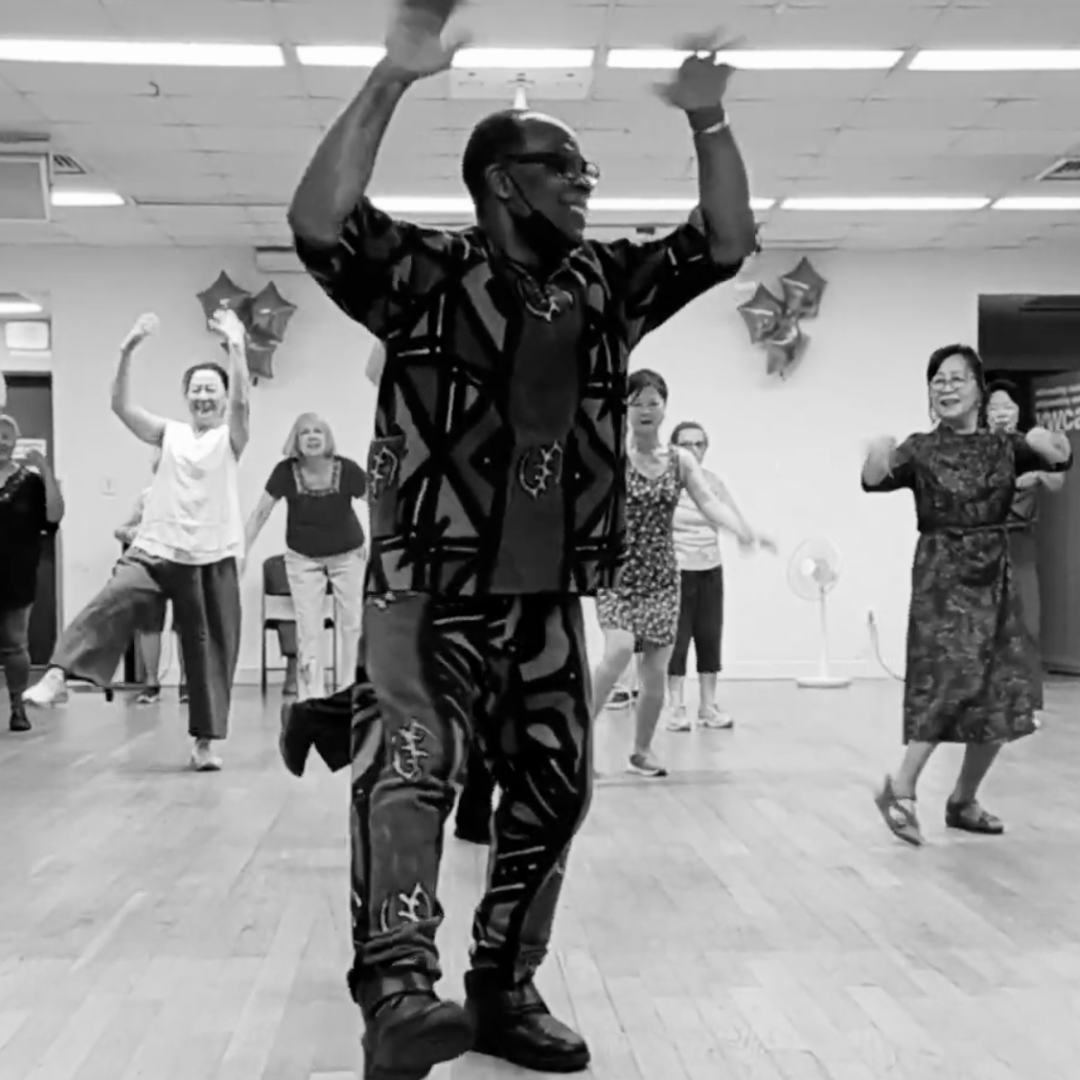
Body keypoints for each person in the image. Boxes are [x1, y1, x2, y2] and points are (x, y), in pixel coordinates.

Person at [284, 0, 758, 1074]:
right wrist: (392, 78)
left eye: (587, 172)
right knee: (410, 767)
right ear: (505, 182)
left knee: (556, 789)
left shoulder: (607, 286)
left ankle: (503, 987)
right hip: (422, 587)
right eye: (566, 169)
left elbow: (724, 243)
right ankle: (398, 992)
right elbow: (319, 223)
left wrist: (710, 123)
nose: (586, 185)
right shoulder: (424, 278)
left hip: (546, 594)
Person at [23, 309, 250, 772]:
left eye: (213, 389)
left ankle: (205, 742)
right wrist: (127, 349)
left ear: (224, 398)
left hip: (211, 558)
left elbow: (245, 407)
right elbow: (121, 407)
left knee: (210, 651)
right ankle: (57, 674)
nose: (204, 396)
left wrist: (238, 345)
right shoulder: (171, 434)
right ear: (186, 396)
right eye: (197, 389)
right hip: (155, 549)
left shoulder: (230, 438)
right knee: (111, 601)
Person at [864, 345, 1071, 846]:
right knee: (950, 679)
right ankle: (902, 786)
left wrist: (1050, 440)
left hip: (994, 571)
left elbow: (1061, 460)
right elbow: (873, 481)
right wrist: (876, 450)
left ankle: (962, 801)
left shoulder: (1005, 444)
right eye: (937, 379)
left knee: (1000, 691)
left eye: (957, 378)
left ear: (980, 388)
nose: (946, 386)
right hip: (942, 574)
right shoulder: (920, 448)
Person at [591, 371, 773, 778]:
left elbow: (709, 502)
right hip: (617, 574)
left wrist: (744, 530)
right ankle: (578, 742)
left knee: (655, 668)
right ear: (625, 408)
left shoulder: (680, 461)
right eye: (637, 401)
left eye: (653, 402)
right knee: (619, 649)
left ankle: (641, 751)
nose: (645, 410)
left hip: (661, 576)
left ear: (664, 409)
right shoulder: (612, 458)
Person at [245, 413, 367, 701]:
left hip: (348, 554)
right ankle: (311, 696)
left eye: (318, 432)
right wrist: (242, 551)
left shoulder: (346, 469)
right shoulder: (285, 472)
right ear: (296, 440)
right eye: (304, 432)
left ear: (327, 439)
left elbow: (378, 502)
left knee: (352, 624)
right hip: (303, 558)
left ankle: (350, 691)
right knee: (309, 627)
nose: (312, 437)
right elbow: (260, 513)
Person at [985, 379, 1063, 717]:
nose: (1002, 413)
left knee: (1027, 624)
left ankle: (1029, 705)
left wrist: (1037, 475)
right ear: (985, 414)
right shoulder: (977, 447)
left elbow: (1058, 479)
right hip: (984, 545)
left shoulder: (1033, 444)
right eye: (995, 408)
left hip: (1021, 544)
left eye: (1008, 407)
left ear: (1019, 412)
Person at [666, 420, 750, 732]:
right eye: (685, 444)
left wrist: (747, 534)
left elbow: (731, 516)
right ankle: (675, 707)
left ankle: (708, 706)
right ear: (674, 448)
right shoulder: (666, 483)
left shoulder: (713, 482)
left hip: (709, 570)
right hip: (676, 571)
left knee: (709, 636)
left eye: (698, 444)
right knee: (676, 641)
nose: (693, 450)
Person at [0, 402, 65, 733]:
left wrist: (46, 470)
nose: (1, 440)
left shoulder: (31, 481)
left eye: (7, 436)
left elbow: (53, 516)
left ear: (16, 441)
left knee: (14, 642)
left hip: (17, 574)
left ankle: (17, 708)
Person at [113, 448, 187, 704]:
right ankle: (151, 683)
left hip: (183, 565)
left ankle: (187, 685)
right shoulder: (146, 497)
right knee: (149, 625)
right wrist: (131, 533)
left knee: (186, 626)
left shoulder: (192, 497)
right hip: (150, 566)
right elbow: (123, 528)